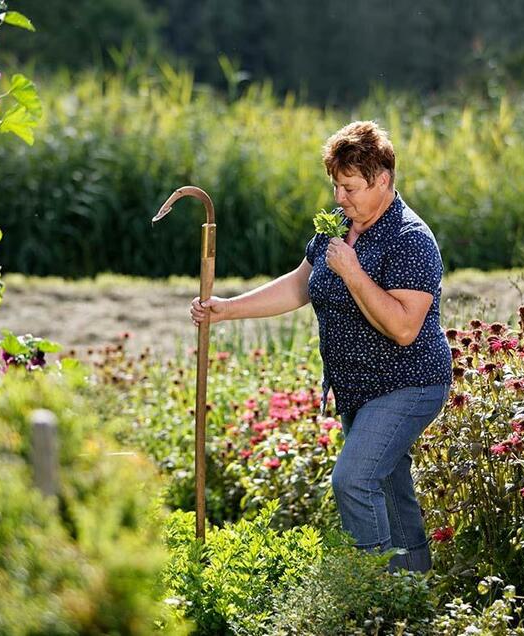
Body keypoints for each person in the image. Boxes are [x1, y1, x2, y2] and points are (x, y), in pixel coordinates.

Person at [189, 120, 452, 572]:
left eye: (350, 187)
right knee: (388, 483)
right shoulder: (337, 228)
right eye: (336, 186)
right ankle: (414, 591)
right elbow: (299, 286)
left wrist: (353, 272)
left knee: (353, 480)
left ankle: (376, 591)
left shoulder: (410, 239)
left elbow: (406, 328)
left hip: (408, 384)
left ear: (383, 180)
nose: (339, 198)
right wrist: (227, 309)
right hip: (359, 387)